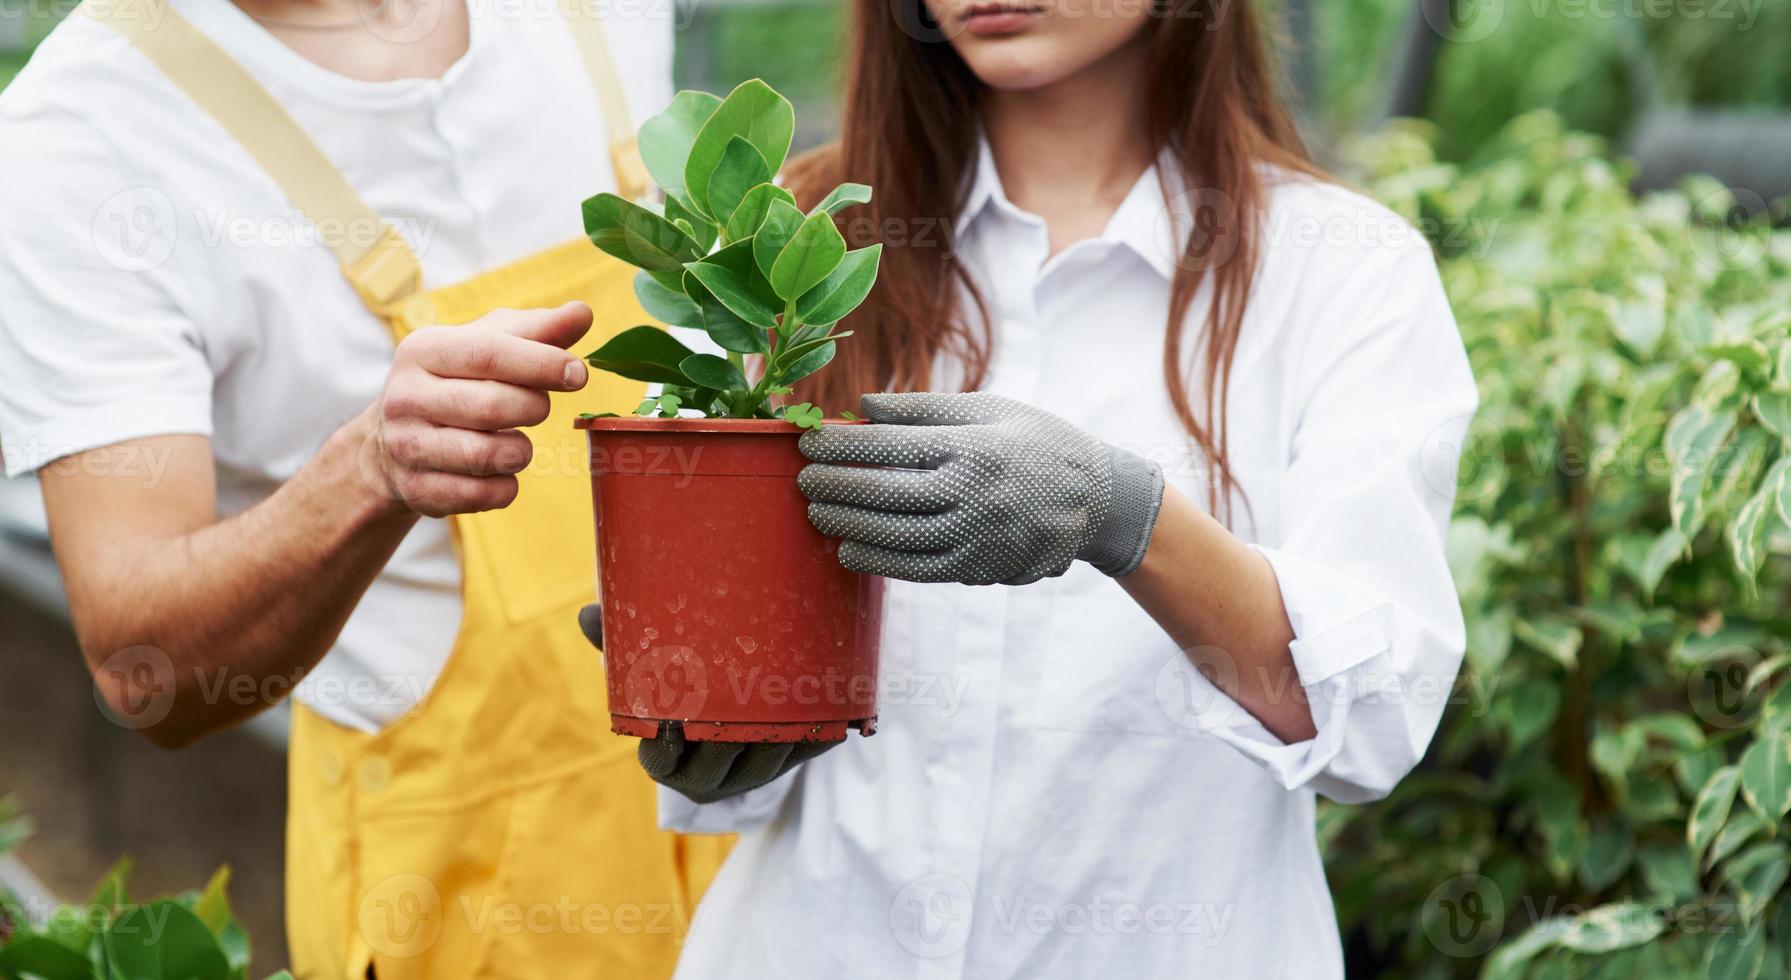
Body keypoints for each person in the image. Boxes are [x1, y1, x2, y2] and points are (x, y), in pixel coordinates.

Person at [593, 0, 1479, 976]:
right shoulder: (779, 260)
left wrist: (1125, 517)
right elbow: (712, 721)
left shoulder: (1341, 273)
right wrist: (713, 727)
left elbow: (1372, 717)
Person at [0, 0, 728, 975]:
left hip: (743, 801)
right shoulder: (83, 135)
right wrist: (368, 470)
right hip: (463, 887)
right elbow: (144, 668)